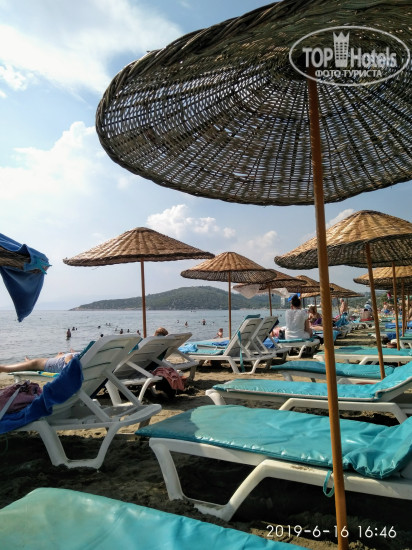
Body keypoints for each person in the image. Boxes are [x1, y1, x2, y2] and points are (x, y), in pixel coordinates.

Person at [0, 350, 78, 374]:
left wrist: (69, 358)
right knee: (59, 355)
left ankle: (3, 368)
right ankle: (29, 363)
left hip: (63, 363)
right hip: (65, 360)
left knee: (35, 363)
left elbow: (71, 364)